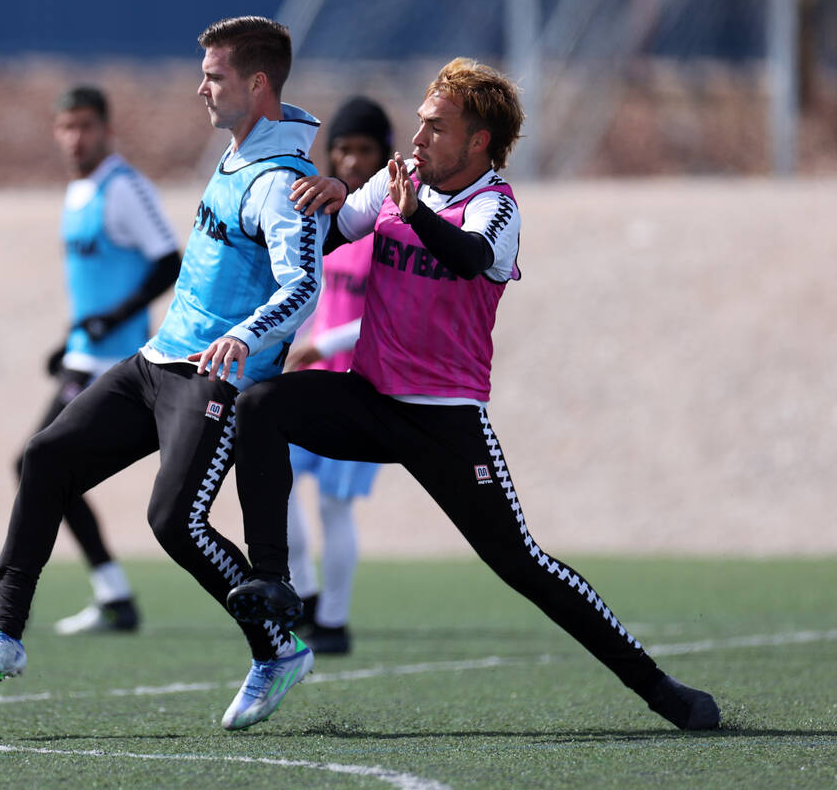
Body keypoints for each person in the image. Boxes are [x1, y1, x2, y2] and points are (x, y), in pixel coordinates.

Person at [225, 57, 721, 731]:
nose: (419, 137)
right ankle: (276, 583)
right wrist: (309, 192)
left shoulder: (498, 206)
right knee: (261, 406)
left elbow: (467, 256)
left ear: (479, 140)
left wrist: (407, 211)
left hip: (446, 424)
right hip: (370, 402)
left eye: (436, 127)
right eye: (420, 123)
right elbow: (334, 230)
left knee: (525, 567)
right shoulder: (399, 183)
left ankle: (661, 690)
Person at [0, 16, 328, 732]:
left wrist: (242, 339)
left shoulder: (283, 182)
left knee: (175, 522)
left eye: (214, 75)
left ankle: (277, 649)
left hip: (213, 378)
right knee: (46, 457)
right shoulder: (238, 154)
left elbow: (301, 288)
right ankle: (3, 631)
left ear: (257, 85)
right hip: (156, 361)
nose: (201, 87)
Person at [0, 86, 181, 637]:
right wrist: (72, 338)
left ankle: (6, 602)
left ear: (107, 130)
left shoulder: (123, 187)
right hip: (86, 355)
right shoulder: (78, 192)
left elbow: (169, 260)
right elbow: (94, 286)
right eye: (67, 127)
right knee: (45, 468)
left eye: (86, 126)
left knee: (38, 464)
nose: (76, 138)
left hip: (118, 365)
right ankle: (113, 596)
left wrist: (115, 318)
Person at [283, 96, 392, 655]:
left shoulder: (392, 228)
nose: (351, 161)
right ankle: (303, 595)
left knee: (334, 505)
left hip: (357, 386)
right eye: (342, 149)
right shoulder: (323, 223)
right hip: (305, 382)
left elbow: (385, 318)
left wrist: (324, 344)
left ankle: (335, 621)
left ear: (385, 155)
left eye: (364, 150)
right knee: (274, 481)